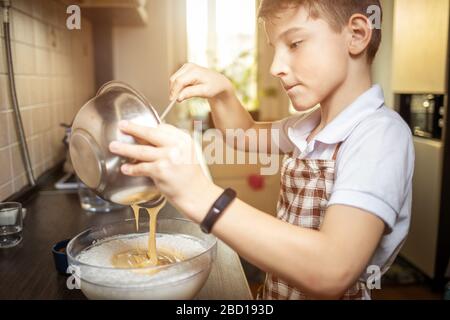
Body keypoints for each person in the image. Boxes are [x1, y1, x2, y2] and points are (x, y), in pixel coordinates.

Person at [108, 0, 414, 300]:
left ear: (357, 34)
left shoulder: (379, 135)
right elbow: (244, 135)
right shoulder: (308, 126)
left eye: (294, 43)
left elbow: (332, 269)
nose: (275, 67)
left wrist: (199, 194)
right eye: (274, 48)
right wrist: (223, 92)